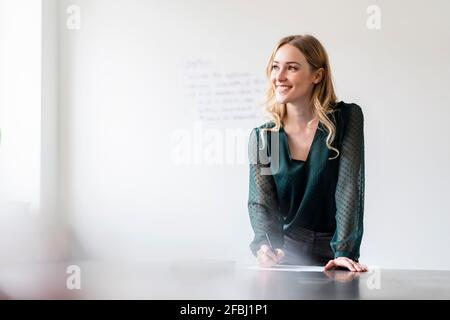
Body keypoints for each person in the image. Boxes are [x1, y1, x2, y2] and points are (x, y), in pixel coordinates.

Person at [247, 34, 367, 272]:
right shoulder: (266, 137)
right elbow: (262, 204)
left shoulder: (346, 119)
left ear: (317, 75)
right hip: (286, 255)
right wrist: (266, 248)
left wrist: (344, 252)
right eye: (275, 67)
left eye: (291, 68)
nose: (279, 77)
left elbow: (348, 189)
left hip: (334, 253)